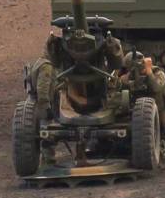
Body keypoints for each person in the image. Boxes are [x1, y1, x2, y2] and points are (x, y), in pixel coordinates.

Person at [29, 31, 125, 166]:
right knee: (45, 127)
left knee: (46, 128)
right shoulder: (46, 67)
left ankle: (49, 160)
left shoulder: (41, 63)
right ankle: (48, 160)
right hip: (45, 101)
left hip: (44, 100)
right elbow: (43, 90)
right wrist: (46, 106)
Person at [120, 51, 165, 172]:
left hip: (162, 107)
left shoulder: (158, 73)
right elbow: (120, 85)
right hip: (142, 109)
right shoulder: (129, 76)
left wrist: (149, 72)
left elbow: (156, 88)